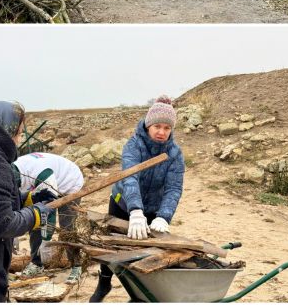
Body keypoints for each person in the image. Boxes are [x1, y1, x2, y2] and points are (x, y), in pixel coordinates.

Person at [91, 97, 185, 303]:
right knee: (111, 247)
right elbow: (130, 178)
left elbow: (174, 188)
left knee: (144, 251)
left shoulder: (175, 154)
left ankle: (138, 293)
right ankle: (104, 282)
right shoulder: (133, 145)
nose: (161, 132)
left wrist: (164, 216)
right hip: (123, 203)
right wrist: (134, 210)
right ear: (148, 125)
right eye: (157, 126)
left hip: (153, 208)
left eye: (167, 128)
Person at [0, 101, 56, 304]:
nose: (18, 140)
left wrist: (27, 200)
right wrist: (36, 215)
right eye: (19, 133)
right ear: (5, 130)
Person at [12, 152, 84, 283]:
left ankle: (77, 266)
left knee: (67, 228)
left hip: (69, 182)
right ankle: (37, 264)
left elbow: (49, 210)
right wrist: (12, 234)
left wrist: (46, 242)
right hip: (42, 185)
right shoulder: (10, 171)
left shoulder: (41, 174)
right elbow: (14, 205)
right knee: (34, 219)